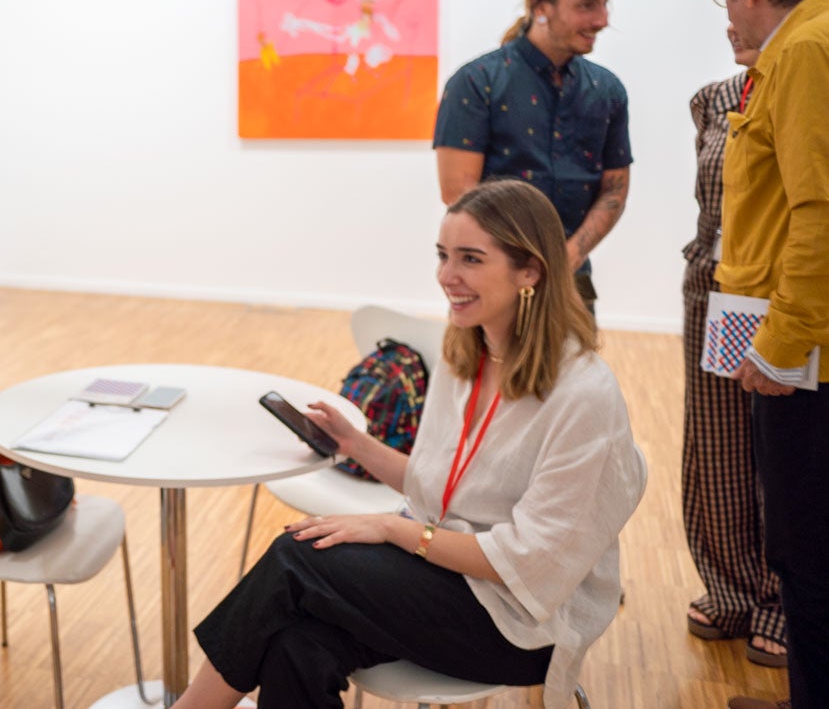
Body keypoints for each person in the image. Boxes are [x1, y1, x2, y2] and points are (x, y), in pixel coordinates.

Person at [172, 179, 645, 709]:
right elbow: (440, 485)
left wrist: (393, 529)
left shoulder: (583, 394)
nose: (447, 277)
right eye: (443, 256)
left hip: (522, 624)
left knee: (294, 558)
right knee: (295, 646)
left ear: (529, 271)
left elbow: (530, 562)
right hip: (448, 577)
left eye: (470, 259)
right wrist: (355, 443)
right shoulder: (468, 354)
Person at [711, 0, 829, 709]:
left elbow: (818, 210)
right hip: (797, 347)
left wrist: (782, 347)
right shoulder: (801, 46)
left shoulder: (808, 50)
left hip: (805, 361)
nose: (724, 12)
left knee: (807, 551)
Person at [433, 0, 632, 314]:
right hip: (491, 285)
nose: (602, 19)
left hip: (572, 280)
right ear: (542, 6)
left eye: (606, 4)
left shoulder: (608, 90)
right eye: (587, 5)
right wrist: (521, 263)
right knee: (487, 373)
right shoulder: (476, 83)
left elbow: (614, 190)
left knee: (577, 374)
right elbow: (458, 191)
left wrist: (566, 258)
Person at [681, 28, 787, 668]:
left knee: (778, 448)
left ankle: (782, 598)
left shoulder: (806, 84)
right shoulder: (713, 99)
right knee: (715, 444)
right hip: (715, 290)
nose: (724, 16)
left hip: (779, 294)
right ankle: (732, 588)